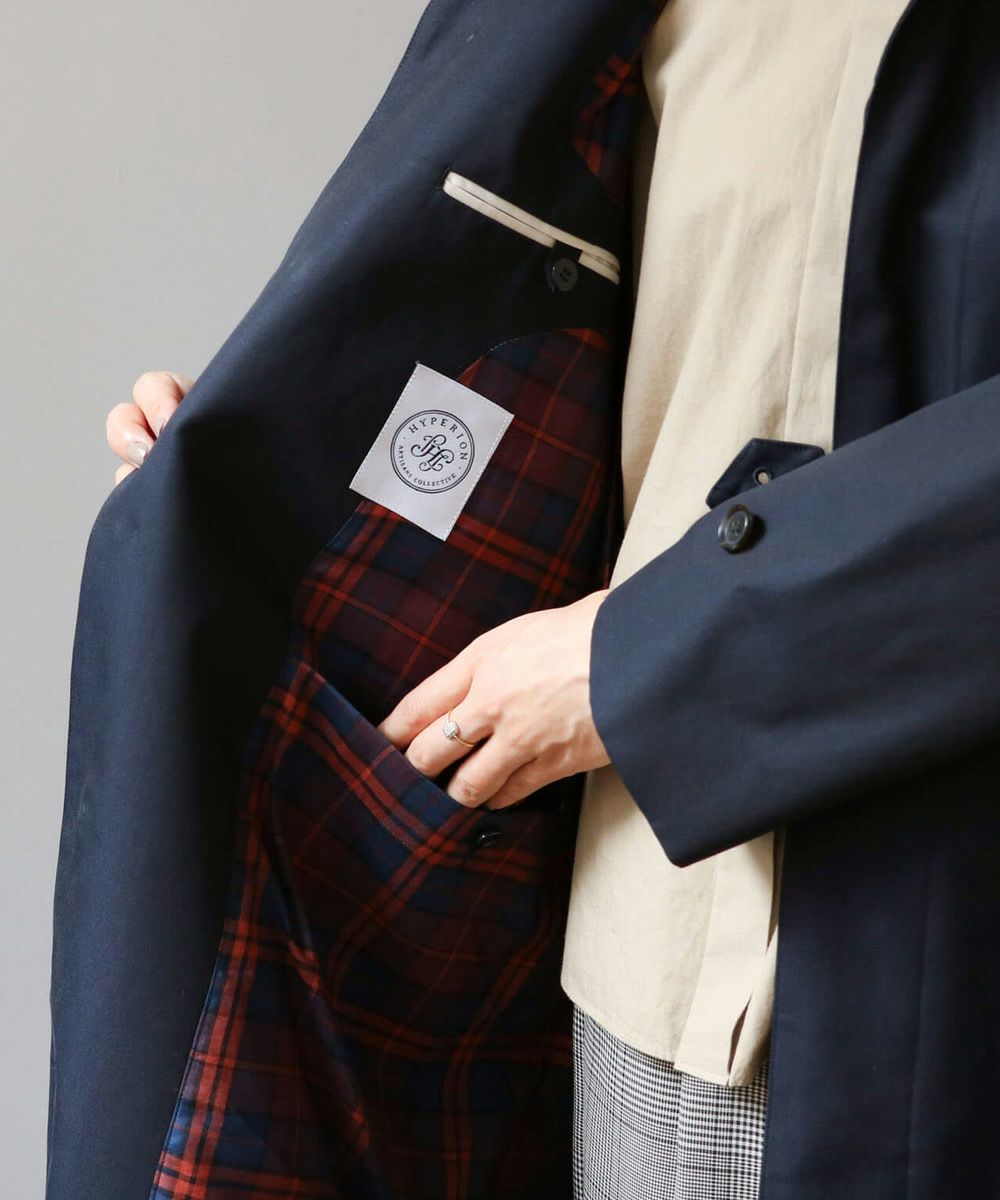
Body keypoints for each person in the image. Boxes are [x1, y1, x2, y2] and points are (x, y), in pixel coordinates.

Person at [74, 0, 1000, 1197]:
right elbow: (585, 346)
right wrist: (267, 468)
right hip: (632, 943)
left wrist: (642, 657)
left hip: (874, 977)